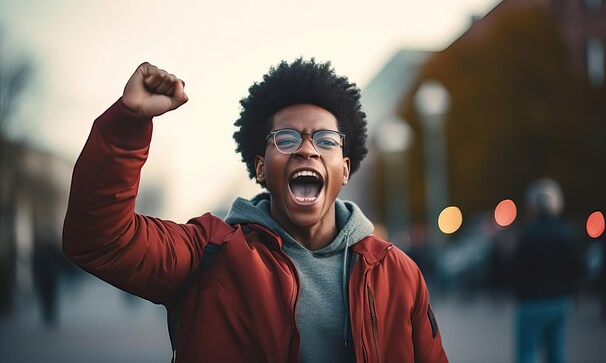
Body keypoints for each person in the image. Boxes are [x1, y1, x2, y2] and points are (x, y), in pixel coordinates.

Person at [63, 59, 448, 362]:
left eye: (326, 140)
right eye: (286, 138)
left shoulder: (398, 274)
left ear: (344, 169)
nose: (307, 149)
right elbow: (100, 240)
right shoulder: (207, 256)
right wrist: (128, 123)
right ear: (261, 167)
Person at [510, 178, 583, 363]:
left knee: (526, 353)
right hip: (559, 300)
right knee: (556, 353)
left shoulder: (528, 234)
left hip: (532, 301)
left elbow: (517, 269)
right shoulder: (565, 232)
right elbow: (577, 266)